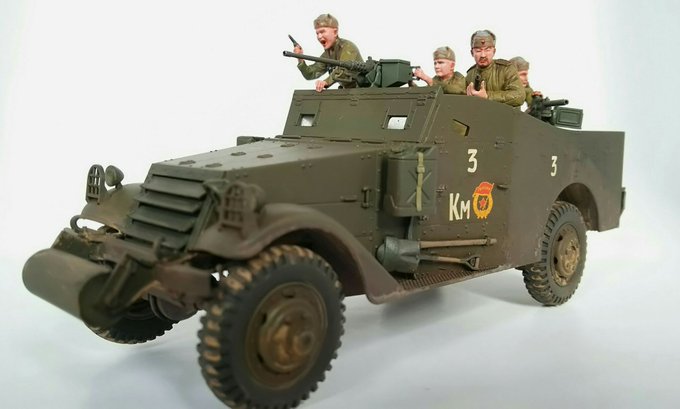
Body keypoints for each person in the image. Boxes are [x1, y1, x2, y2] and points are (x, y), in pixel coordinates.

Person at [293, 13, 363, 92]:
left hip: (363, 90)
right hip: (348, 92)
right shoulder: (328, 54)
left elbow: (343, 70)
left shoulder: (348, 47)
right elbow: (310, 74)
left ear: (335, 32)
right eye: (317, 33)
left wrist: (326, 82)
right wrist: (300, 58)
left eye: (322, 32)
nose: (319, 36)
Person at [465, 30, 524, 107]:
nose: (483, 55)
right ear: (472, 53)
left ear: (494, 51)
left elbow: (519, 96)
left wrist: (487, 96)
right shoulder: (470, 74)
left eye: (487, 50)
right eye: (478, 51)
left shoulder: (506, 69)